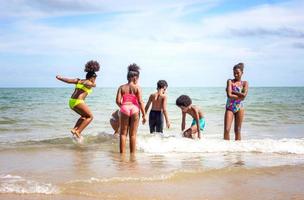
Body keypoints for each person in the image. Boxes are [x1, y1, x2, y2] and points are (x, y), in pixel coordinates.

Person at [56, 60, 100, 139]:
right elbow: (90, 84)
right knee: (90, 117)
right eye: (95, 78)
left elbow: (68, 81)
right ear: (92, 77)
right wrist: (88, 83)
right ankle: (78, 131)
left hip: (71, 102)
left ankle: (74, 129)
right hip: (78, 102)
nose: (95, 80)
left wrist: (60, 78)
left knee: (83, 116)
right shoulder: (89, 82)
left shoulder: (78, 80)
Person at [116, 63, 146, 153]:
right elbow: (140, 102)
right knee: (133, 135)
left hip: (124, 108)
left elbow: (117, 101)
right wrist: (144, 115)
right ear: (135, 78)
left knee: (123, 134)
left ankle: (122, 155)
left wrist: (123, 107)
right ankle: (132, 155)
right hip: (135, 109)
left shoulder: (121, 87)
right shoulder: (137, 87)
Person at [224, 63, 248, 140]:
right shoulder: (230, 81)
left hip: (240, 108)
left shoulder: (244, 83)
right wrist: (240, 95)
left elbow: (244, 96)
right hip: (230, 107)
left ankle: (237, 150)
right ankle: (226, 148)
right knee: (227, 130)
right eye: (234, 73)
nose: (236, 75)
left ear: (242, 73)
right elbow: (229, 95)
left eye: (238, 73)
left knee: (237, 130)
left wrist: (232, 91)